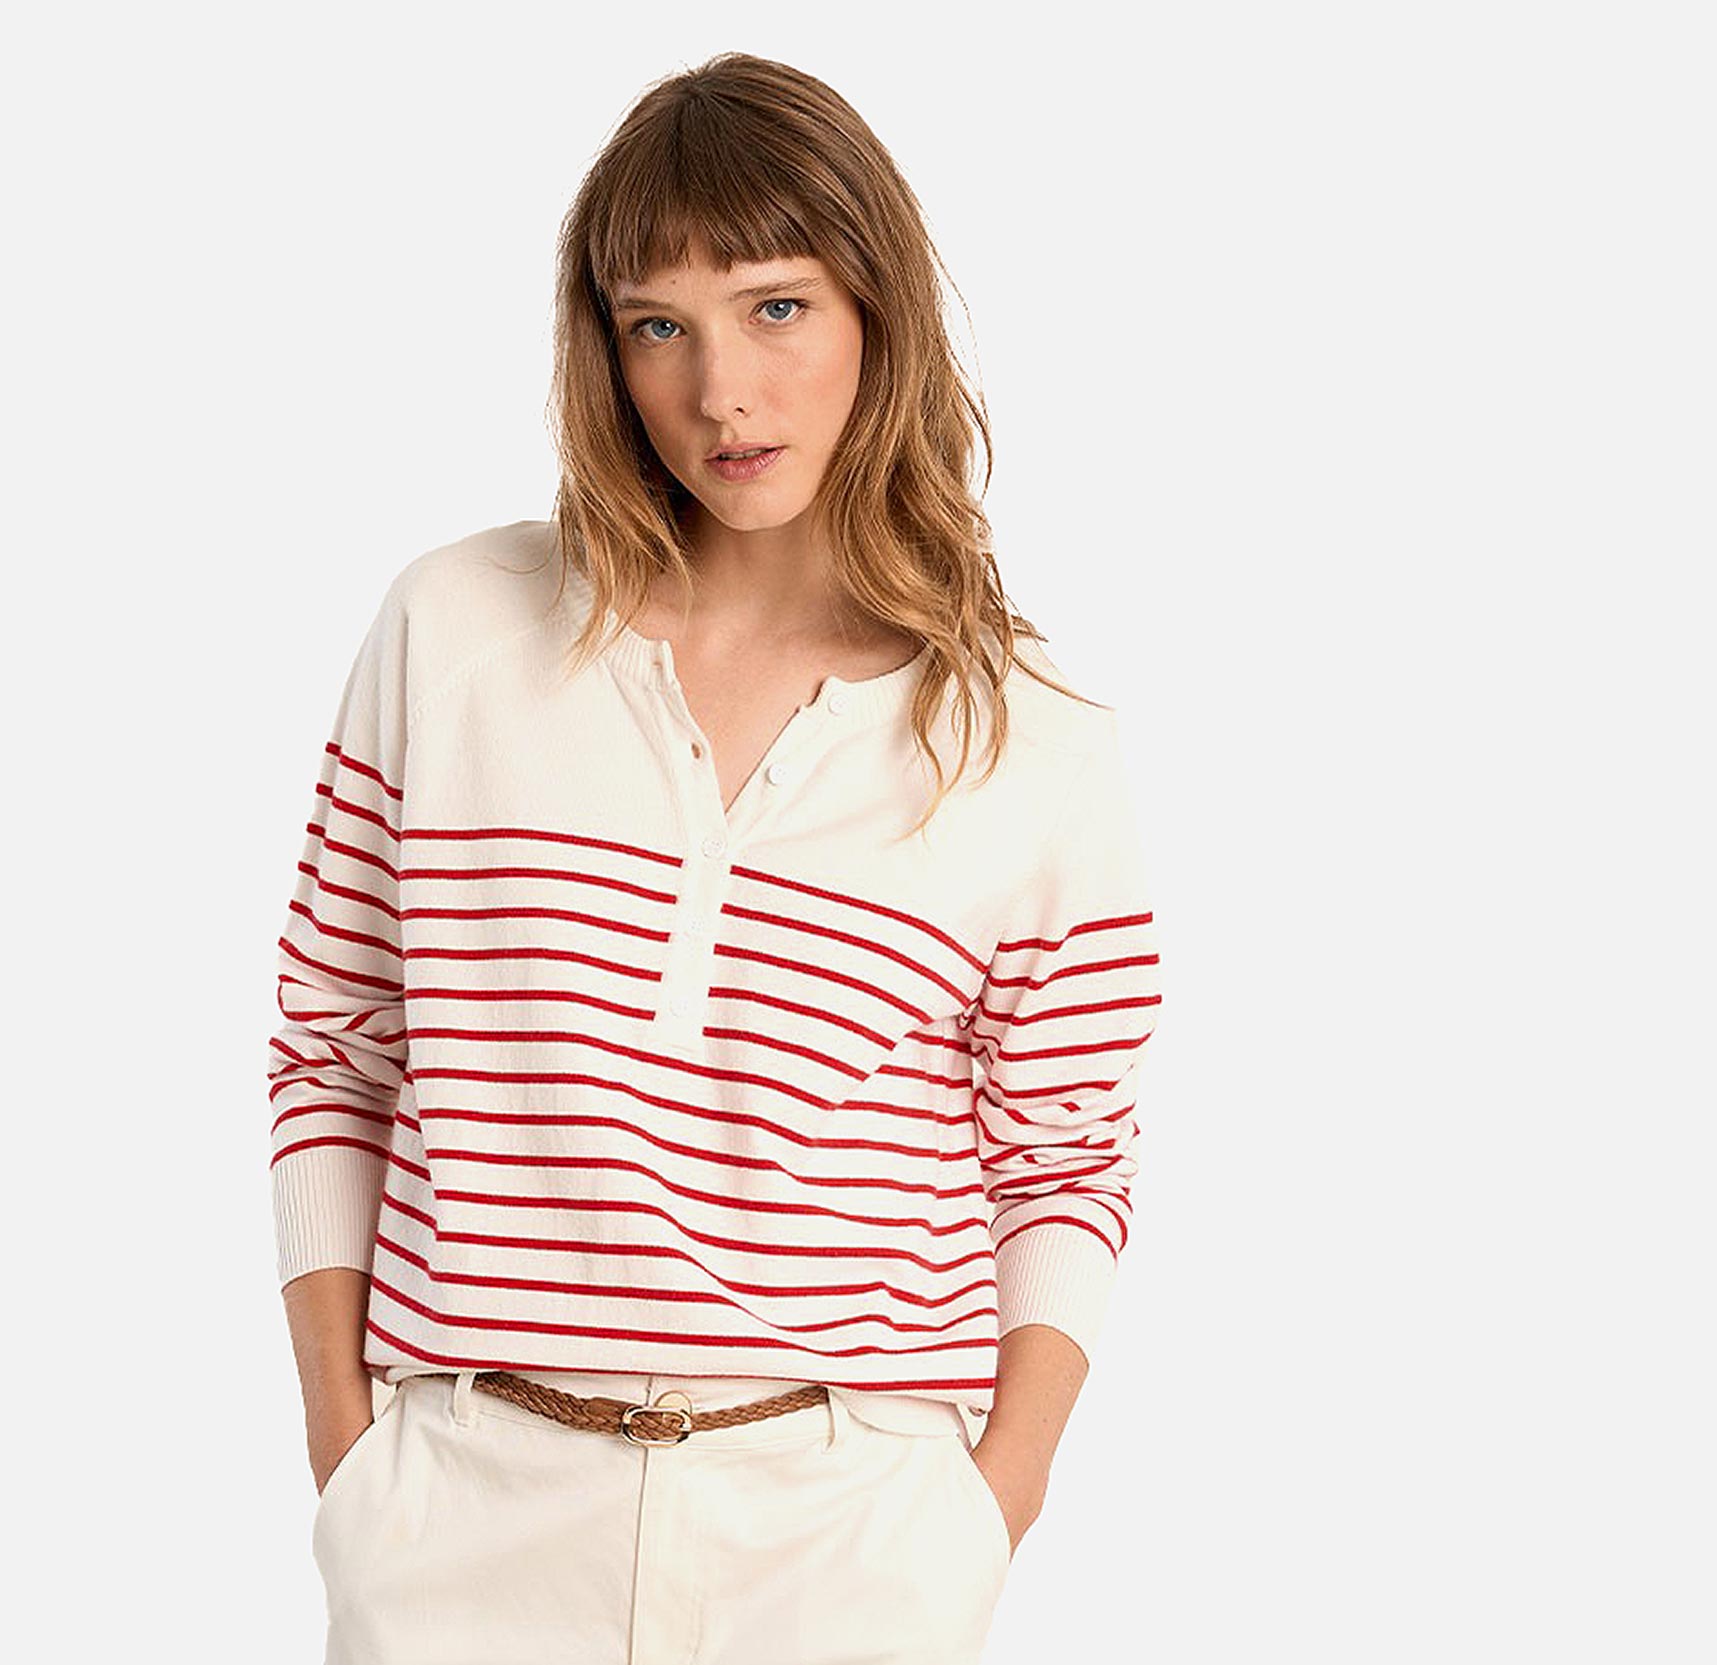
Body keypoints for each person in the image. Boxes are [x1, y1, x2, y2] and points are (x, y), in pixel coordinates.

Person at [266, 51, 1162, 1665]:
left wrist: (989, 1506)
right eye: (657, 326)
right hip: (468, 1519)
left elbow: (1064, 1153)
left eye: (776, 307)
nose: (721, 393)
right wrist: (352, 1459)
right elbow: (335, 1050)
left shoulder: (1028, 737)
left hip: (843, 1544)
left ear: (878, 311)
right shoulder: (454, 634)